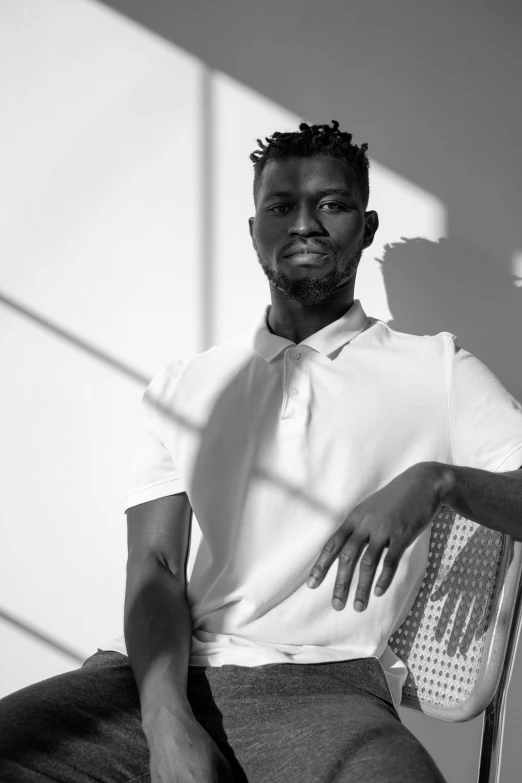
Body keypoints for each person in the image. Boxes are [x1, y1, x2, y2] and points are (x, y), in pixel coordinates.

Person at [1, 120, 522, 783]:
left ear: (366, 225)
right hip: (148, 685)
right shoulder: (186, 385)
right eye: (281, 206)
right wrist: (167, 723)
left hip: (329, 692)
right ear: (254, 233)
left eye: (331, 204)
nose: (305, 223)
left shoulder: (438, 369)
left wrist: (441, 480)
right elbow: (155, 565)